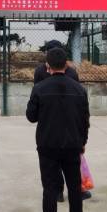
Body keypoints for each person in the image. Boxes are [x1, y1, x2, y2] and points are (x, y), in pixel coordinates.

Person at [26, 47, 90, 212]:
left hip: (48, 144)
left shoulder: (40, 88)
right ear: (67, 65)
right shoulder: (80, 89)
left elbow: (31, 117)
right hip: (73, 144)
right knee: (74, 188)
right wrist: (82, 142)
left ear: (47, 66)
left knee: (50, 189)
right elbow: (85, 120)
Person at [33, 40, 90, 202]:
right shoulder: (72, 73)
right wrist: (83, 138)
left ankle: (57, 192)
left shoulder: (39, 73)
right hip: (71, 126)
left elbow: (33, 108)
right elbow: (83, 109)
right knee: (71, 163)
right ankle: (77, 197)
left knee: (52, 163)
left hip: (49, 124)